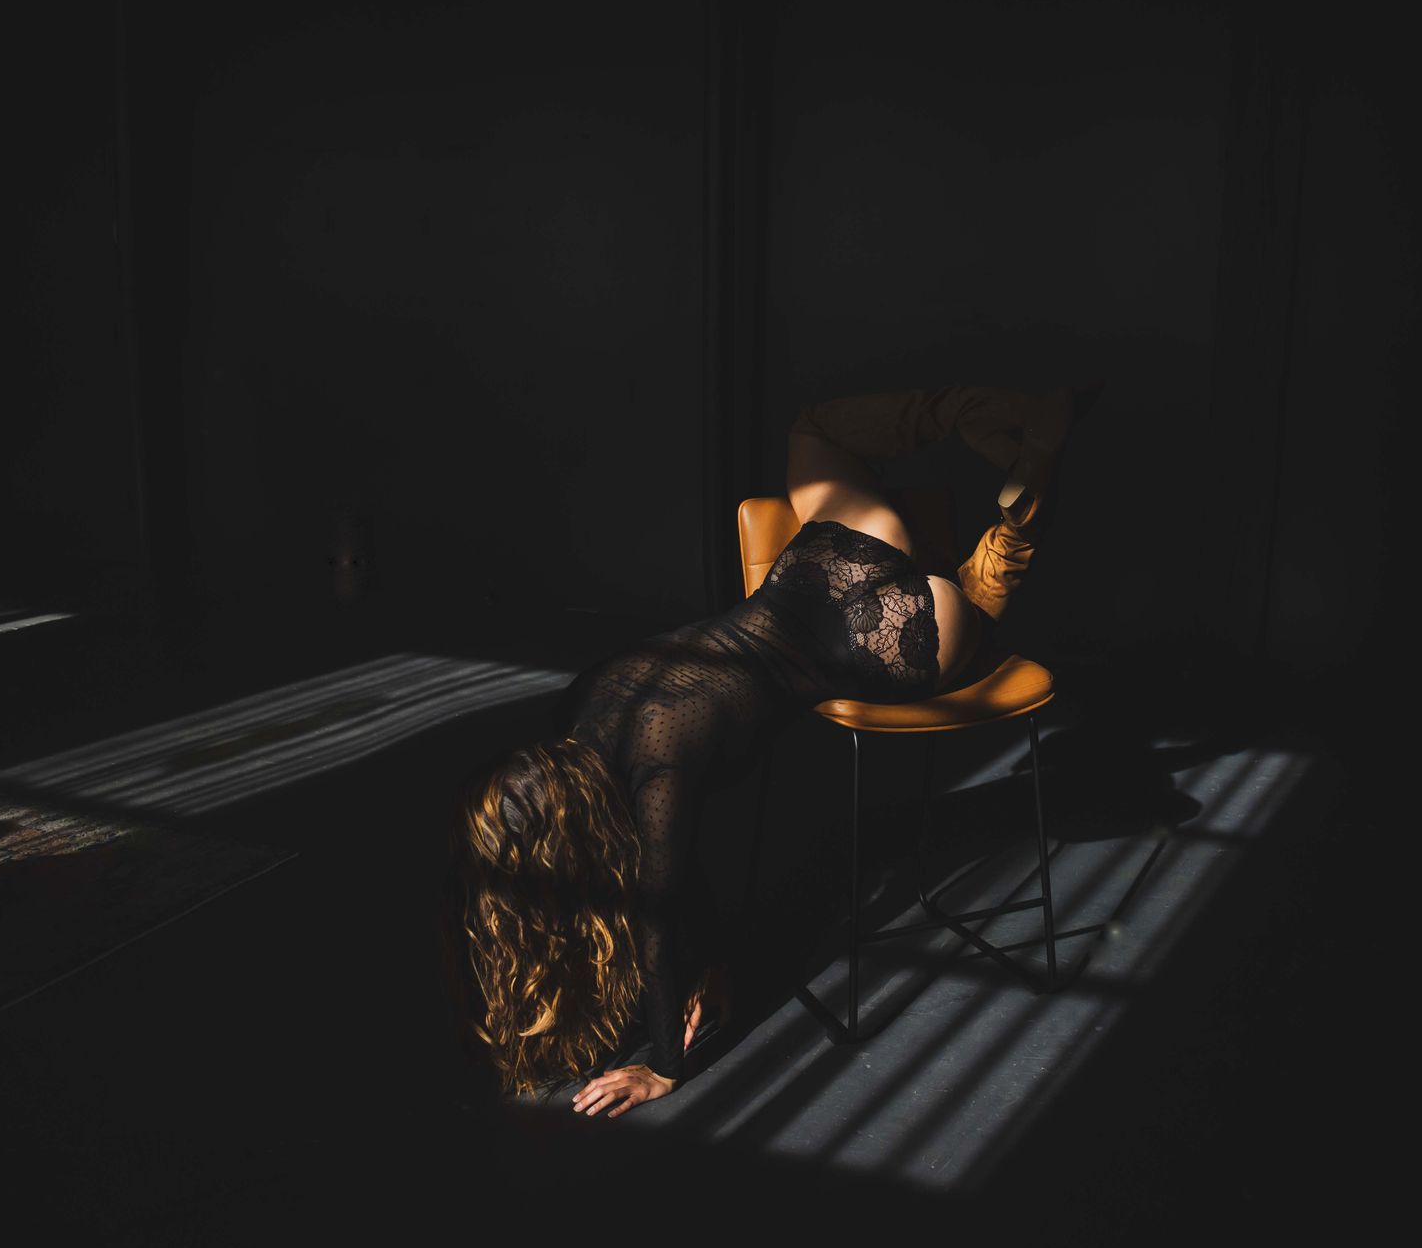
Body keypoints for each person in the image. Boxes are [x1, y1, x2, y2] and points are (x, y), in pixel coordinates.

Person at [450, 383, 1098, 1117]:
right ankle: (997, 423)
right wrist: (717, 963)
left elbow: (661, 914)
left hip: (894, 640)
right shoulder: (580, 702)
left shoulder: (657, 770)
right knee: (815, 430)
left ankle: (1020, 512)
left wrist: (664, 1067)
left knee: (974, 608)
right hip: (833, 559)